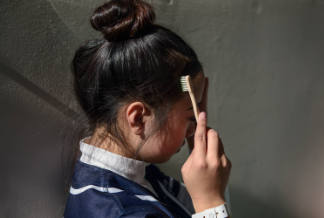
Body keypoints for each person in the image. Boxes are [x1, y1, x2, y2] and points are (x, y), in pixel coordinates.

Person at [64, 0, 232, 217]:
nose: (196, 127)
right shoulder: (123, 211)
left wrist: (209, 186)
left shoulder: (138, 175)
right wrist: (210, 201)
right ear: (138, 118)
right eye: (192, 116)